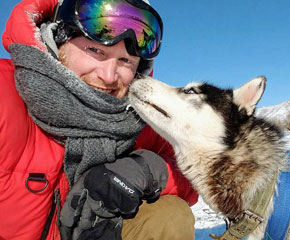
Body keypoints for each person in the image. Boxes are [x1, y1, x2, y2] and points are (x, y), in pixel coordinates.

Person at [0, 0, 198, 239]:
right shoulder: (5, 94)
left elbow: (193, 175)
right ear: (57, 40)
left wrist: (145, 170)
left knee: (169, 215)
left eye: (125, 60)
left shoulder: (139, 118)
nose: (108, 76)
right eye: (95, 50)